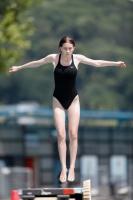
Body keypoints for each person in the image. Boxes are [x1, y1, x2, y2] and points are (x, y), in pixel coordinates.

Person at [9, 36, 126, 182]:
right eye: (65, 48)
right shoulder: (54, 58)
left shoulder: (77, 59)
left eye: (70, 48)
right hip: (58, 100)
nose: (67, 51)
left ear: (74, 48)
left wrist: (115, 63)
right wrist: (19, 67)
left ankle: (72, 168)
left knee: (73, 134)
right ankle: (63, 168)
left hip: (73, 100)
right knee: (61, 134)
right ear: (60, 48)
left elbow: (96, 63)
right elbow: (37, 63)